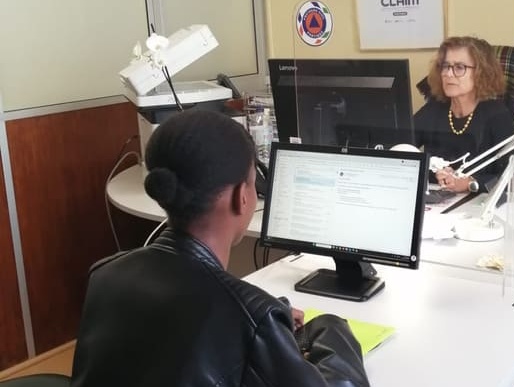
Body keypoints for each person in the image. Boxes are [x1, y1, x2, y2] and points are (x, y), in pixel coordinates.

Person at [71, 110, 370, 387]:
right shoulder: (253, 319)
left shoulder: (105, 273)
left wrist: (269, 317)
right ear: (242, 196)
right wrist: (331, 327)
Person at [414, 36, 514, 194]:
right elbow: (400, 145)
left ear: (481, 73)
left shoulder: (496, 115)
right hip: (436, 201)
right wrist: (433, 172)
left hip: (478, 203)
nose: (448, 74)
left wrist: (470, 183)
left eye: (459, 67)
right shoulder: (434, 109)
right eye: (445, 66)